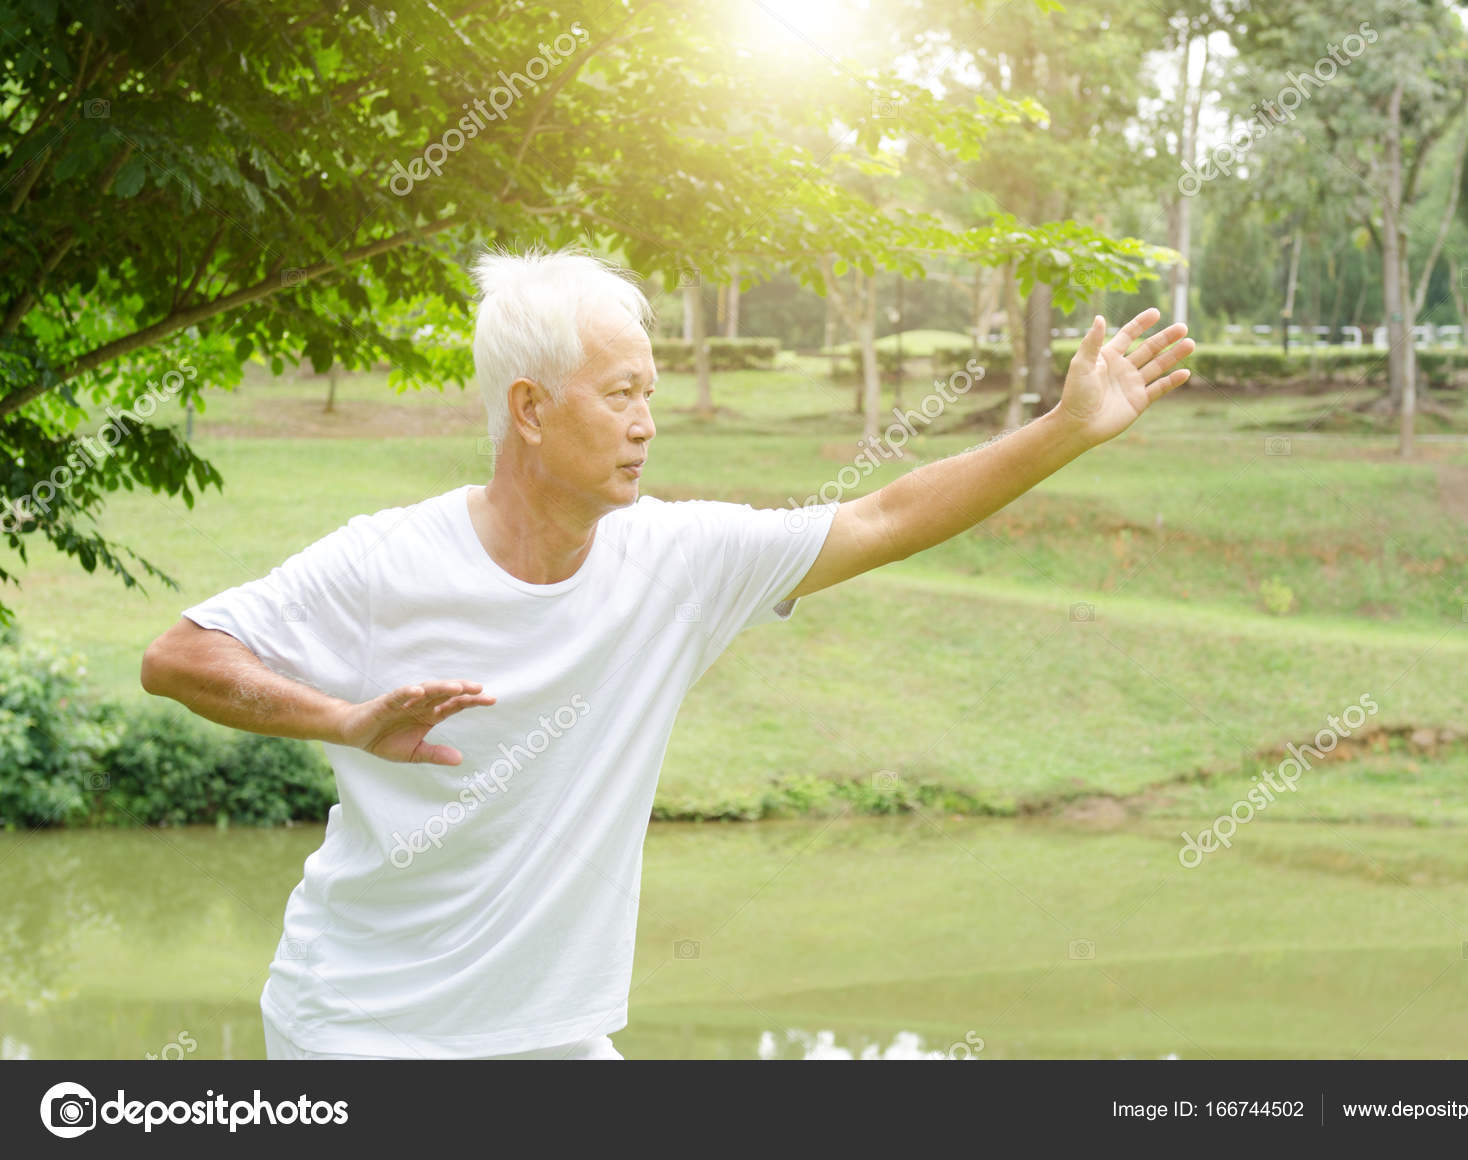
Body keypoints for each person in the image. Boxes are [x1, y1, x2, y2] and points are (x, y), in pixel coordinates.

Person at [139, 245, 1194, 1060]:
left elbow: (880, 516)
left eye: (650, 391)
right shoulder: (384, 561)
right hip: (364, 1032)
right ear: (531, 409)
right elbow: (180, 655)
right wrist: (343, 719)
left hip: (553, 1035)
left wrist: (1064, 428)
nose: (648, 423)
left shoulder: (677, 559)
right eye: (620, 394)